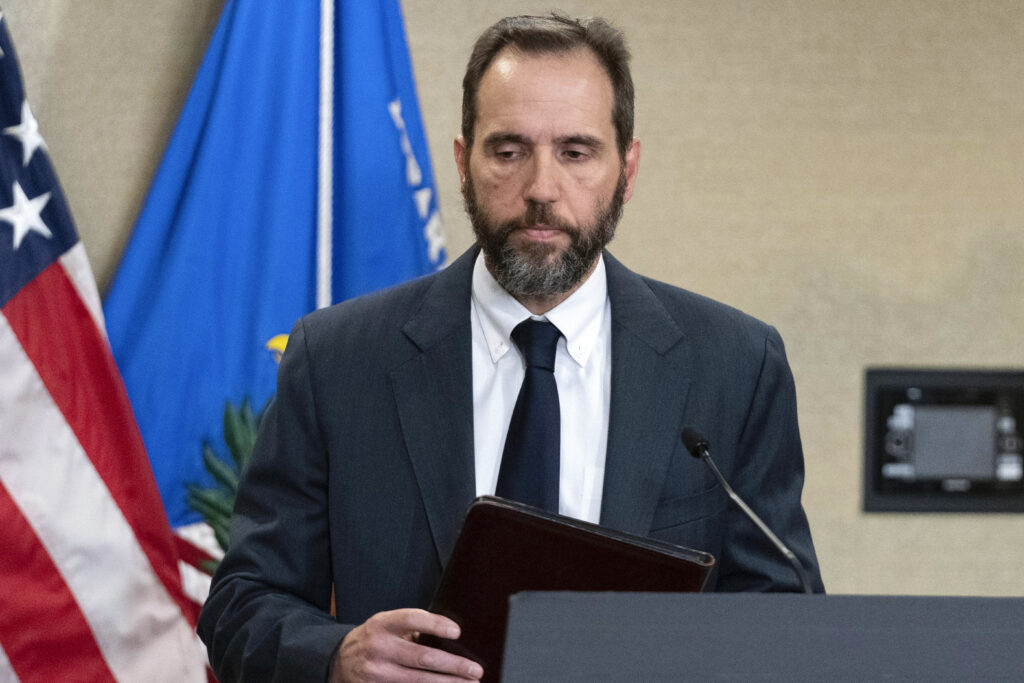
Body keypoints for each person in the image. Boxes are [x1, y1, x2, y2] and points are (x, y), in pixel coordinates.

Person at [198, 13, 824, 682]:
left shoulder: (735, 366)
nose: (541, 189)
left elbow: (782, 614)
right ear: (463, 163)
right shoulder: (336, 360)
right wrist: (336, 656)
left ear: (627, 168)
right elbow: (240, 604)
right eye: (508, 151)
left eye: (576, 152)